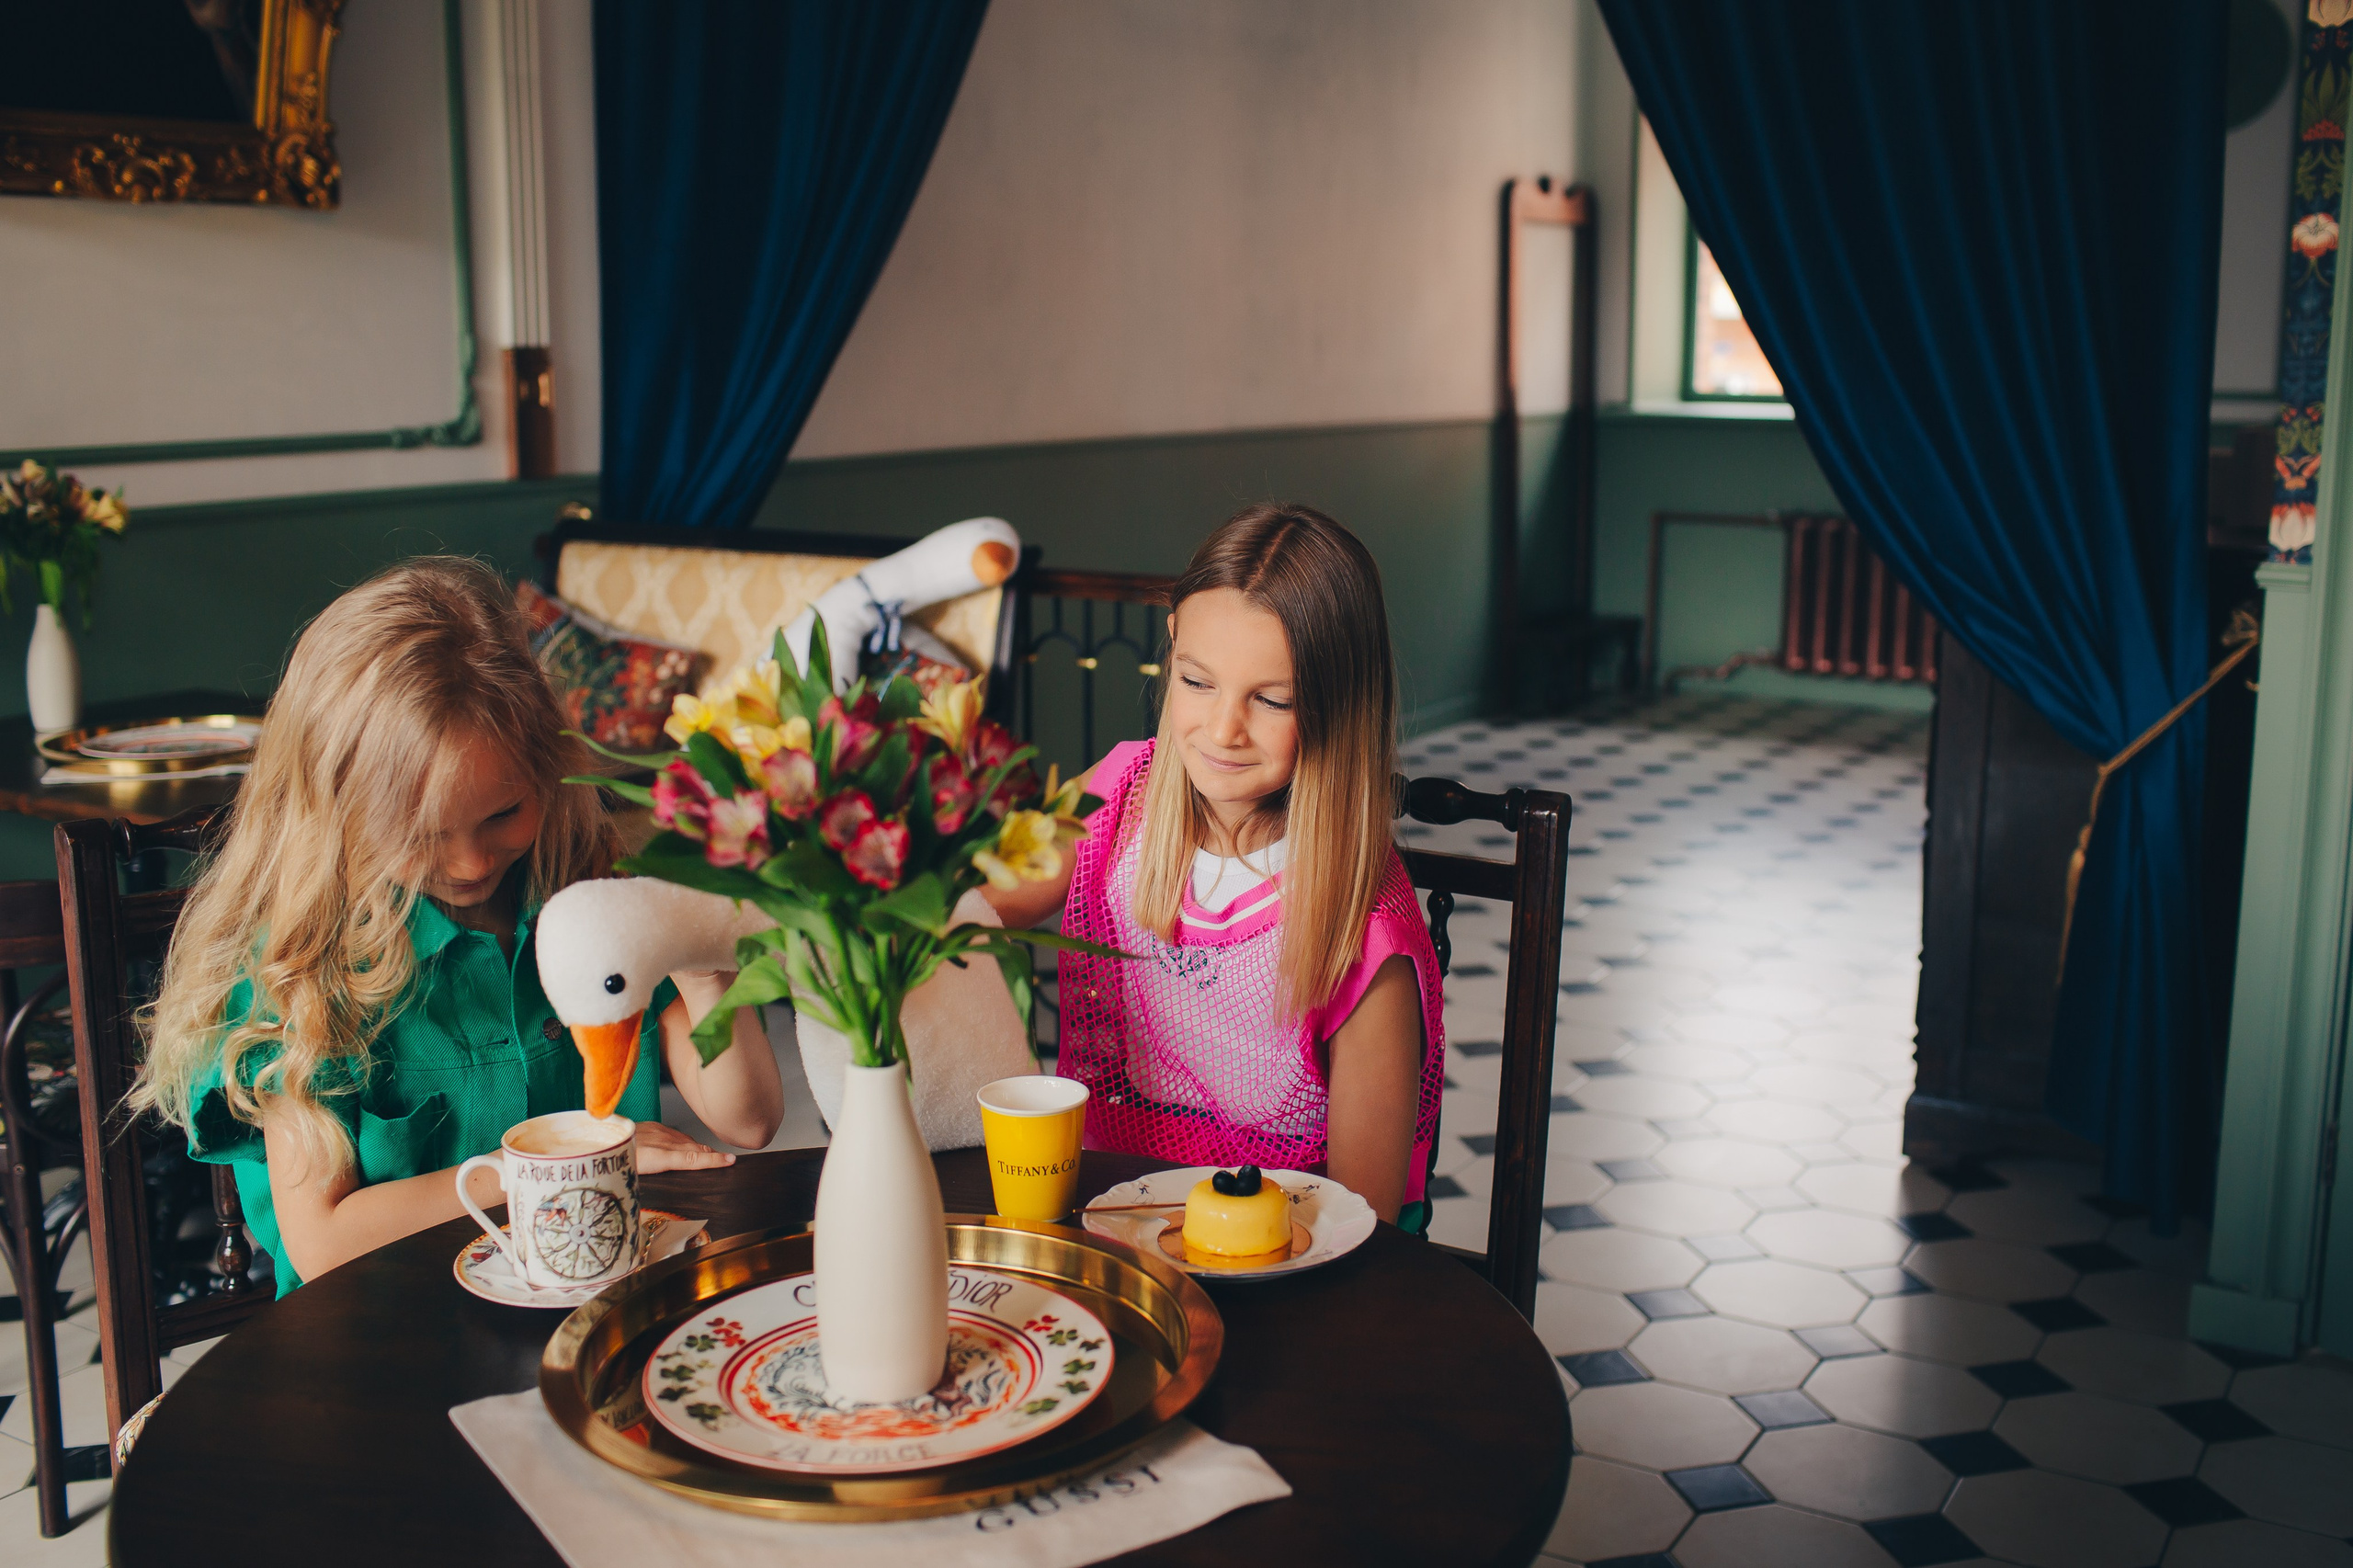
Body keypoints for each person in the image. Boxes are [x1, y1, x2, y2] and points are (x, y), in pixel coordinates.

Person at [133, 558, 785, 1295]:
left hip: (583, 1307)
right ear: (336, 812)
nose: (472, 862)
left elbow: (750, 1121)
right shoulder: (304, 965)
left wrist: (703, 957)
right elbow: (324, 1243)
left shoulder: (592, 895)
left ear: (546, 771)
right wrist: (544, 1169)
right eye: (420, 833)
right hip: (387, 1327)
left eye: (503, 813)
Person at [988, 504, 1445, 1226]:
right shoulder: (1117, 796)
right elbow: (976, 903)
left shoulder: (1364, 929)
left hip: (1285, 1242)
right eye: (1197, 682)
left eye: (1274, 699)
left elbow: (1366, 1223)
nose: (1224, 729)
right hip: (1112, 1210)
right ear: (1172, 644)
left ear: (1340, 703)